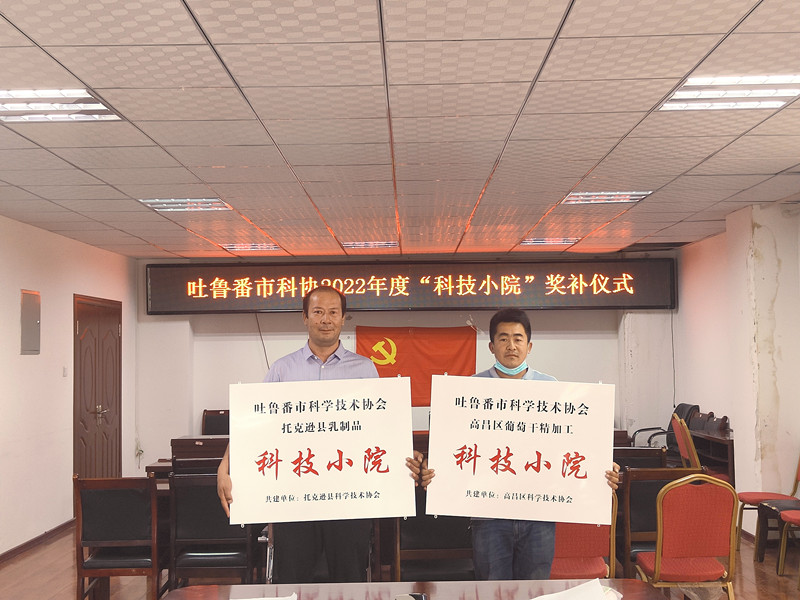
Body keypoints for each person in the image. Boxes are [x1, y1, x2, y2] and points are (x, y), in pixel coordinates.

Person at [406, 307, 620, 580]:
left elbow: (571, 442)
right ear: (491, 346)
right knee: (491, 589)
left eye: (518, 339)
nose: (511, 346)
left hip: (539, 513)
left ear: (529, 346)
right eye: (503, 338)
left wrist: (600, 465)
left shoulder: (551, 387)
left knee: (534, 590)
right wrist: (433, 468)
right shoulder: (468, 390)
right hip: (488, 515)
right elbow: (452, 446)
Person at [216, 285, 379, 583]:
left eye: (333, 312)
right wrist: (224, 467)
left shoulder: (365, 369)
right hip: (294, 497)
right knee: (292, 579)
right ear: (305, 317)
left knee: (350, 579)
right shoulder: (282, 370)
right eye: (318, 312)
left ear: (343, 318)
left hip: (348, 495)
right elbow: (251, 422)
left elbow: (380, 428)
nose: (325, 319)